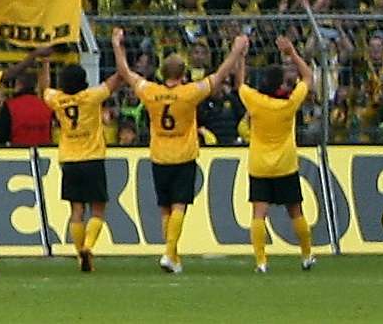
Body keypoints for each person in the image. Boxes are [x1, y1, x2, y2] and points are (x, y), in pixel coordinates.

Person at [123, 25, 249, 274]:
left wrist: (118, 46)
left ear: (161, 72)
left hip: (159, 155)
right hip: (183, 155)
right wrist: (235, 52)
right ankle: (170, 253)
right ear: (184, 74)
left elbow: (126, 73)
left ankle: (173, 255)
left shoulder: (151, 91)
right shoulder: (189, 92)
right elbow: (220, 76)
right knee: (180, 204)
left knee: (165, 207)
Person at [44, 55, 134, 271]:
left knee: (76, 210)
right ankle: (88, 246)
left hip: (69, 160)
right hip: (92, 158)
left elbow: (44, 89)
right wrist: (119, 53)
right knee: (98, 209)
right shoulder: (92, 96)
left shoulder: (57, 99)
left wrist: (46, 63)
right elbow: (118, 79)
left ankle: (79, 254)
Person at [238, 43, 322, 274]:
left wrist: (241, 58)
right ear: (281, 84)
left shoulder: (255, 101)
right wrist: (292, 53)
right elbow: (308, 77)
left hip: (260, 166)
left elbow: (240, 85)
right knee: (296, 211)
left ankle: (261, 261)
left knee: (258, 213)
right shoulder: (289, 103)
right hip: (285, 165)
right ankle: (306, 255)